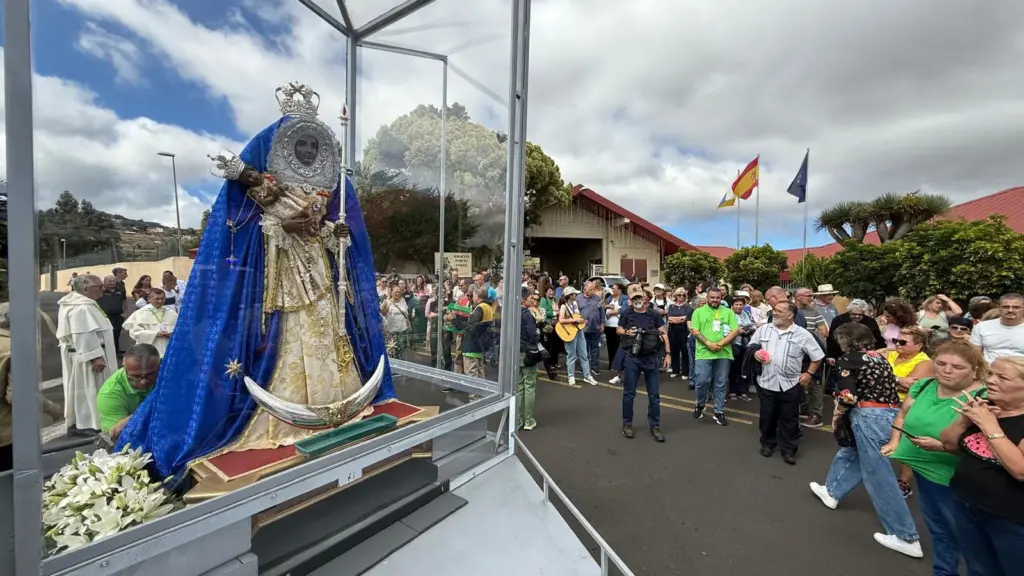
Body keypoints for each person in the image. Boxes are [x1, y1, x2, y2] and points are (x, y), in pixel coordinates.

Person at [117, 82, 394, 479]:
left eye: (312, 149)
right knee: (294, 329)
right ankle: (286, 412)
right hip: (285, 268)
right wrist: (284, 223)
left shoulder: (321, 188)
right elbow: (255, 226)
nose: (307, 153)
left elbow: (329, 231)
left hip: (317, 266)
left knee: (325, 328)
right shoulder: (269, 187)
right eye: (302, 147)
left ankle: (336, 401)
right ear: (287, 148)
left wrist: (337, 235)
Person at [809, 322, 922, 558]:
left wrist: (838, 416)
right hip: (890, 413)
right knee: (852, 452)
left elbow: (848, 396)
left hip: (867, 414)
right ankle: (832, 491)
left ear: (846, 341)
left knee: (877, 473)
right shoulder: (879, 359)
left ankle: (905, 535)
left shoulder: (848, 360)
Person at [883, 341, 986, 576]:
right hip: (924, 472)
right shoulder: (926, 385)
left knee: (970, 540)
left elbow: (991, 447)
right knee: (939, 530)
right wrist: (895, 442)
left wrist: (942, 447)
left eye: (957, 367)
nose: (947, 370)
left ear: (975, 369)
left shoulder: (983, 397)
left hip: (955, 479)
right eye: (941, 363)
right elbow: (902, 414)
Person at [940, 355, 1024, 576]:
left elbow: (1020, 470)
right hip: (967, 504)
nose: (992, 381)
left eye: (1002, 377)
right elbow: (948, 444)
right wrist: (964, 420)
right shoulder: (986, 406)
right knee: (978, 568)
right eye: (991, 374)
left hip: (1010, 518)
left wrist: (988, 425)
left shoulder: (993, 418)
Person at [751, 301, 824, 464]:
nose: (774, 313)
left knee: (789, 418)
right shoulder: (764, 329)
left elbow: (817, 356)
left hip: (790, 383)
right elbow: (753, 346)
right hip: (766, 382)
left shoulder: (803, 334)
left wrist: (809, 373)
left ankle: (788, 449)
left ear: (790, 315)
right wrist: (756, 353)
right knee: (767, 416)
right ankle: (768, 444)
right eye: (774, 310)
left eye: (778, 311)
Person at [57, 274, 118, 437]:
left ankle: (84, 422)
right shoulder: (81, 307)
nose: (103, 289)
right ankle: (88, 424)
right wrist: (95, 356)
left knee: (83, 390)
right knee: (89, 390)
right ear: (86, 288)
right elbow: (83, 334)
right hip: (88, 357)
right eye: (99, 286)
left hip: (84, 354)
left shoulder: (80, 303)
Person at [617, 284, 670, 442]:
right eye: (634, 299)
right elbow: (618, 329)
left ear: (645, 299)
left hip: (651, 357)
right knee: (629, 393)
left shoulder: (653, 314)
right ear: (631, 301)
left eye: (639, 298)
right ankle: (627, 424)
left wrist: (668, 354)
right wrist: (627, 332)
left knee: (654, 395)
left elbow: (664, 333)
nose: (637, 301)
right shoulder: (627, 313)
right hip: (632, 357)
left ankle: (655, 426)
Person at [690, 287, 739, 425]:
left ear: (721, 298)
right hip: (704, 353)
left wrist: (720, 344)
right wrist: (708, 343)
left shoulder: (728, 312)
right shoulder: (698, 312)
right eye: (712, 297)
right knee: (702, 381)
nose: (715, 300)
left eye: (718, 297)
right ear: (707, 298)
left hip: (723, 353)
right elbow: (695, 330)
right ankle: (700, 404)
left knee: (721, 383)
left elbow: (734, 331)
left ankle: (719, 411)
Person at [97, 343, 161, 442]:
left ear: (160, 365)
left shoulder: (169, 367)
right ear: (124, 367)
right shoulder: (110, 394)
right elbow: (117, 436)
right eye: (136, 376)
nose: (143, 381)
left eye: (150, 375)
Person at [558, 287, 598, 387]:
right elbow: (561, 320)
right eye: (574, 294)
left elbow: (577, 317)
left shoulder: (575, 304)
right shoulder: (564, 306)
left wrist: (582, 321)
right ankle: (571, 376)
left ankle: (587, 375)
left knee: (584, 354)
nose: (576, 295)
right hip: (570, 332)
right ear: (570, 295)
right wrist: (574, 321)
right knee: (571, 355)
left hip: (578, 331)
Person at [970, 293, 1024, 364]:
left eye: (1016, 307)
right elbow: (975, 355)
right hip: (989, 371)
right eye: (1006, 307)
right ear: (999, 308)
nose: (1010, 310)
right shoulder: (982, 327)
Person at [122, 288, 178, 356]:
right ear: (149, 299)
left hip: (168, 346)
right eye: (157, 299)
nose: (160, 301)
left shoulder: (171, 312)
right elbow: (134, 332)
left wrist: (172, 334)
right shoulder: (140, 313)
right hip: (149, 348)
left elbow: (179, 329)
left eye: (162, 298)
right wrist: (155, 334)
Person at [517, 290, 542, 431]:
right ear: (523, 299)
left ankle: (519, 418)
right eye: (530, 298)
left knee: (519, 386)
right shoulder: (526, 315)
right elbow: (533, 335)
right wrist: (538, 332)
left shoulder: (512, 313)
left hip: (516, 351)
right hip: (527, 352)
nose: (533, 300)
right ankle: (528, 420)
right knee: (529, 385)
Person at [666, 288, 693, 380]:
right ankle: (675, 370)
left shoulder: (688, 307)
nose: (681, 297)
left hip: (684, 331)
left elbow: (686, 318)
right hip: (673, 331)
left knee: (685, 351)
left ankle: (685, 372)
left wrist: (676, 319)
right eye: (679, 295)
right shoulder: (671, 306)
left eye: (683, 295)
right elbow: (669, 319)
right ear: (676, 296)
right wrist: (680, 319)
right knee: (674, 351)